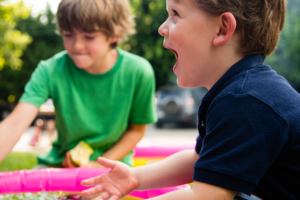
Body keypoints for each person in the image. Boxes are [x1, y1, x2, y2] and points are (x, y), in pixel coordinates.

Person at [80, 0, 300, 199]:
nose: (162, 27)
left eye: (175, 14)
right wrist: (136, 177)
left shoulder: (246, 101)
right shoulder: (241, 91)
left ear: (222, 28)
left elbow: (205, 197)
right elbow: (199, 160)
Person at [0, 0, 157, 169]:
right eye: (68, 35)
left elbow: (136, 130)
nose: (77, 46)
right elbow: (13, 126)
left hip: (113, 168)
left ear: (115, 35)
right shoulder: (50, 70)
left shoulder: (139, 72)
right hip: (59, 166)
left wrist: (97, 165)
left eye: (89, 36)